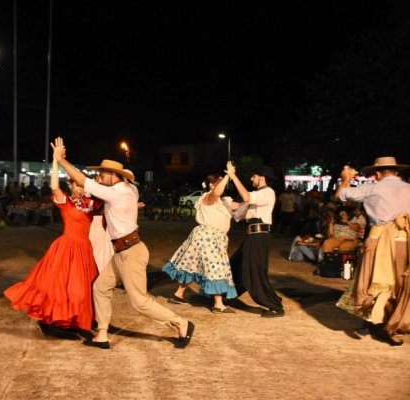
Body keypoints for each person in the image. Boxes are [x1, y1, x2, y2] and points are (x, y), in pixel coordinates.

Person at [52, 137, 194, 349]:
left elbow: (82, 180)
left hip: (131, 252)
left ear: (112, 175)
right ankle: (102, 334)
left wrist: (61, 161)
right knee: (100, 288)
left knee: (139, 302)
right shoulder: (118, 192)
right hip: (120, 252)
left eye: (101, 174)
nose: (99, 177)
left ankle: (181, 323)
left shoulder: (117, 193)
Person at [4, 156, 99, 334]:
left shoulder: (90, 203)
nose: (80, 188)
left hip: (84, 249)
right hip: (66, 248)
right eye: (77, 185)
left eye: (82, 185)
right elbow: (54, 186)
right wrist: (56, 161)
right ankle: (54, 322)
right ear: (71, 185)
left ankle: (74, 321)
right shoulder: (66, 202)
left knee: (81, 290)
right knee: (61, 288)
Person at [335, 156, 410, 346]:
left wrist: (346, 177)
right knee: (400, 283)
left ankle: (370, 323)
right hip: (404, 239)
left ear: (377, 174)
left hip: (378, 239)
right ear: (397, 172)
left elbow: (341, 195)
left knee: (371, 280)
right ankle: (396, 325)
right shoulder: (408, 188)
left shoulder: (373, 188)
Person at [162, 173, 238, 313]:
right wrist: (228, 175)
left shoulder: (223, 201)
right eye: (220, 183)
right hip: (209, 236)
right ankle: (218, 304)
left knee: (192, 265)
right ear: (211, 185)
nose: (223, 185)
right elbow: (217, 192)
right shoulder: (208, 197)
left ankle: (178, 294)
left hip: (208, 237)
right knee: (216, 267)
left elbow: (240, 204)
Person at [226, 161, 285, 317]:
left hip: (259, 237)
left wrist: (233, 176)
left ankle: (275, 306)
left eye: (254, 176)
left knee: (255, 272)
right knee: (235, 265)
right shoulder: (257, 196)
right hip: (251, 236)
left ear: (262, 178)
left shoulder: (268, 192)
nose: (251, 179)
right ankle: (228, 296)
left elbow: (246, 196)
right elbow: (237, 213)